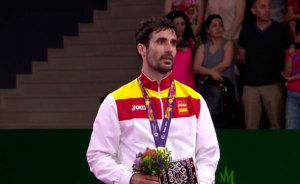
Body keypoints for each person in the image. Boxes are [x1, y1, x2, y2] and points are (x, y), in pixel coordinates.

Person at [86, 17, 220, 184]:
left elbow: (209, 155)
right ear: (142, 49)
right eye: (161, 42)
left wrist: (199, 182)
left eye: (173, 42)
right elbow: (98, 155)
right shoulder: (116, 101)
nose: (169, 48)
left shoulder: (194, 99)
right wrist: (129, 179)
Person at [238, 0, 291, 129]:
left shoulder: (281, 29)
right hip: (251, 85)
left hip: (273, 84)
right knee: (251, 125)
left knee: (276, 124)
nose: (267, 10)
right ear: (253, 10)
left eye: (269, 6)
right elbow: (242, 57)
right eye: (263, 7)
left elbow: (289, 56)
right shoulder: (246, 30)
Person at [193, 14, 236, 128]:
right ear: (208, 29)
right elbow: (196, 67)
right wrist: (212, 73)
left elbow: (225, 63)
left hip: (225, 89)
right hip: (208, 91)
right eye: (214, 26)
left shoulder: (228, 44)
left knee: (226, 122)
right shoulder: (203, 47)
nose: (218, 28)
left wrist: (206, 72)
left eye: (220, 26)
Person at [166, 10, 196, 89]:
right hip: (170, 86)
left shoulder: (191, 42)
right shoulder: (165, 43)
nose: (180, 27)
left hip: (189, 85)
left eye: (182, 24)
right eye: (177, 24)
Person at [282, 25, 300, 129]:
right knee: (291, 129)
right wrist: (291, 57)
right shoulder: (292, 51)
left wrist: (293, 78)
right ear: (296, 37)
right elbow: (287, 73)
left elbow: (289, 77)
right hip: (292, 94)